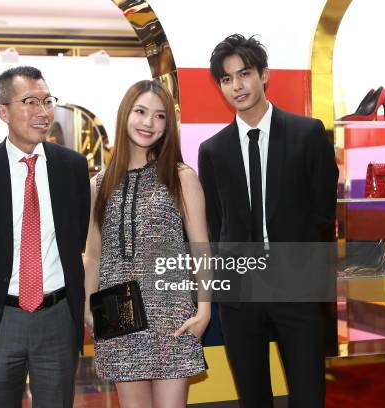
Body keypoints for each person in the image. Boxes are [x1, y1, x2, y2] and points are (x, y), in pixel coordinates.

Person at [198, 34, 338, 408]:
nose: (236, 86)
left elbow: (324, 213)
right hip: (241, 295)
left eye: (243, 74)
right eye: (226, 79)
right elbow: (215, 223)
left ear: (264, 75)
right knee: (252, 397)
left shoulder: (307, 133)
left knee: (309, 395)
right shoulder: (212, 150)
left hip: (297, 288)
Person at [0, 66, 90, 408]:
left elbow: (77, 234)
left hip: (58, 317)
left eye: (47, 101)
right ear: (3, 111)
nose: (43, 112)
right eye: (30, 101)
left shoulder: (72, 167)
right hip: (0, 318)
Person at [84, 80, 211, 408]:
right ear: (126, 114)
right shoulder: (99, 183)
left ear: (168, 124)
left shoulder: (181, 176)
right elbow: (95, 256)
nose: (148, 123)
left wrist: (205, 310)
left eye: (159, 116)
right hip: (116, 311)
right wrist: (88, 309)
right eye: (141, 111)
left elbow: (201, 247)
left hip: (171, 313)